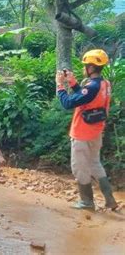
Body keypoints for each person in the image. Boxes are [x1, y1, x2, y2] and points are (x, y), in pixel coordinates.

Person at [56, 49, 118, 211]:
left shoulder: (91, 87)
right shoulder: (104, 84)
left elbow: (68, 103)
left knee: (80, 168)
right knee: (95, 163)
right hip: (96, 131)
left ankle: (87, 202)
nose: (84, 68)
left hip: (82, 133)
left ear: (91, 68)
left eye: (85, 66)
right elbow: (88, 98)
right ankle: (110, 199)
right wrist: (74, 83)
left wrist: (60, 87)